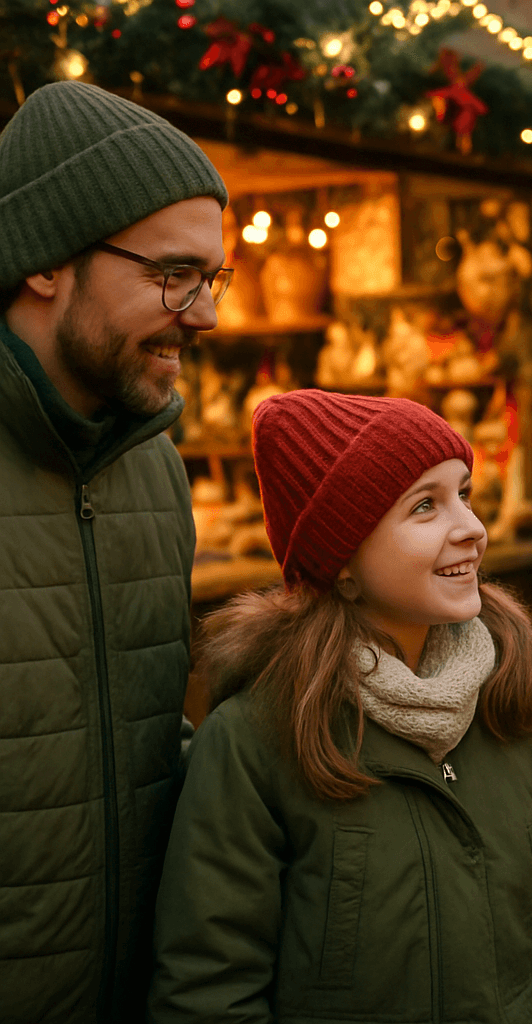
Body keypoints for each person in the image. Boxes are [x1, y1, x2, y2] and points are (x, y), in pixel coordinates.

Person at [148, 390, 532, 1024]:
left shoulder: (517, 703)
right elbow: (209, 990)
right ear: (342, 563)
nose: (471, 529)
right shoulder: (257, 741)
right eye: (426, 506)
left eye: (466, 494)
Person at [0, 81, 229, 1022]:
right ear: (46, 262)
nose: (206, 314)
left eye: (213, 279)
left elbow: (129, 739)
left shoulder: (155, 474)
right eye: (174, 275)